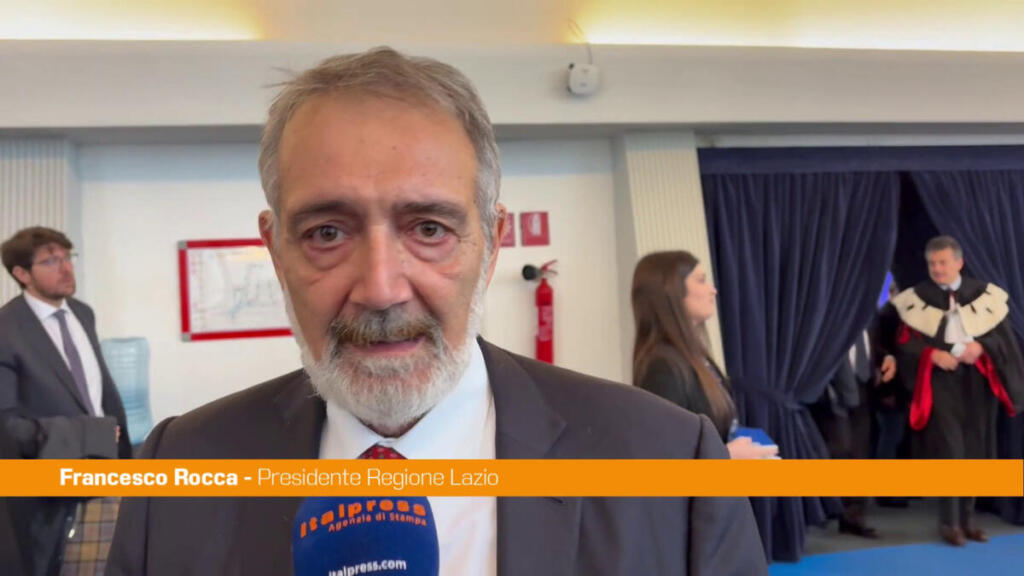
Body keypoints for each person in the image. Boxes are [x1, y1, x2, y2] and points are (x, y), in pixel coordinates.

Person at [107, 47, 767, 575]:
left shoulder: (668, 463)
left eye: (429, 229)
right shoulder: (179, 470)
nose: (381, 289)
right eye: (327, 233)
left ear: (492, 245)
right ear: (277, 251)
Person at [0, 226, 132, 575]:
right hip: (49, 487)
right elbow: (8, 426)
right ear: (22, 274)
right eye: (50, 261)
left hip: (108, 466)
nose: (65, 268)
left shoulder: (82, 313)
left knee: (116, 562)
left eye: (67, 257)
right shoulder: (6, 329)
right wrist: (90, 434)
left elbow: (96, 391)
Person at [892, 235, 1024, 546]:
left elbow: (1004, 342)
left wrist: (981, 347)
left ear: (959, 262)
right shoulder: (918, 298)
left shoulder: (984, 295)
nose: (937, 269)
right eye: (932, 264)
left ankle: (968, 520)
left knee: (975, 451)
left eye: (943, 262)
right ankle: (949, 523)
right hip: (940, 383)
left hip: (977, 381)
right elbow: (906, 344)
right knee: (951, 452)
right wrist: (931, 355)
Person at [631, 250, 777, 460]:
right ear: (670, 290)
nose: (713, 290)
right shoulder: (661, 368)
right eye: (701, 280)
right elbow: (662, 459)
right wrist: (727, 456)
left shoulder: (696, 357)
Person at [809, 329, 881, 538]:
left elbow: (876, 345)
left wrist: (885, 358)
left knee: (860, 455)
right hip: (833, 392)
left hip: (864, 388)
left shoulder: (869, 316)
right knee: (840, 450)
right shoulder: (833, 316)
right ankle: (827, 506)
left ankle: (853, 517)